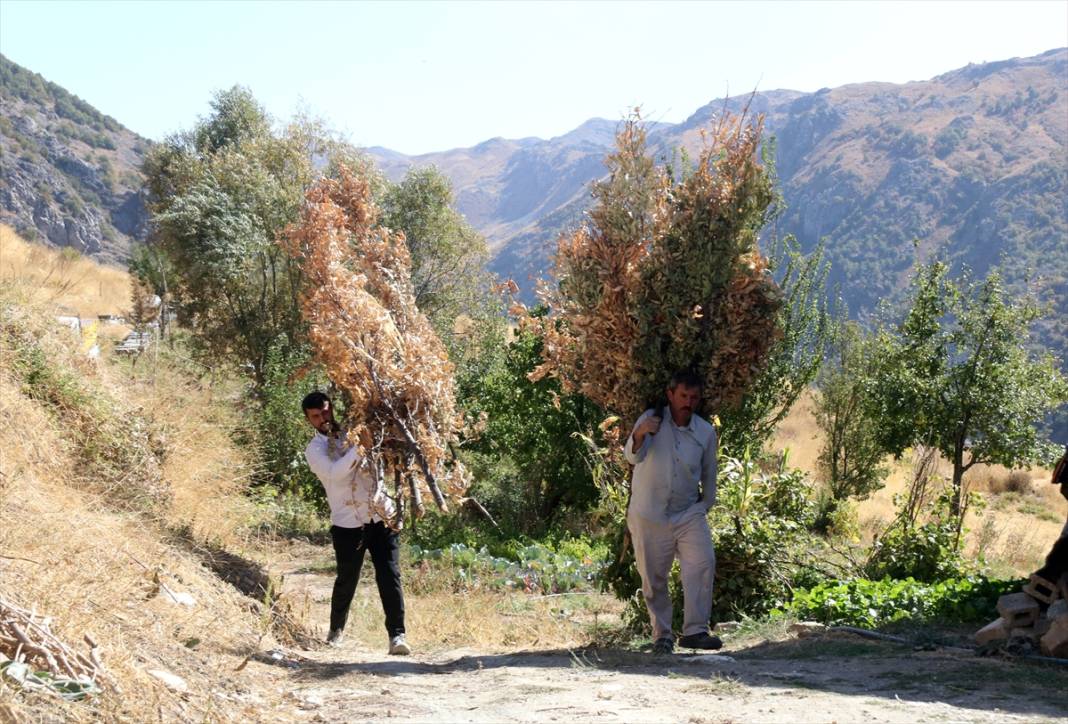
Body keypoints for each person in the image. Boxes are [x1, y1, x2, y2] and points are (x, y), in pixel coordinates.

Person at [301, 391, 410, 656]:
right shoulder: (314, 450)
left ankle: (397, 636)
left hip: (381, 515)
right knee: (347, 579)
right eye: (316, 416)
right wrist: (360, 448)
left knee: (390, 576)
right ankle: (336, 630)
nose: (323, 418)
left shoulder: (356, 430)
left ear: (332, 408)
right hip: (348, 524)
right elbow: (334, 474)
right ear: (308, 420)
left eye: (325, 412)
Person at [624, 370, 721, 654]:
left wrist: (705, 506)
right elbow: (632, 456)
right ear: (670, 395)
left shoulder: (704, 432)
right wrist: (640, 433)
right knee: (653, 577)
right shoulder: (650, 421)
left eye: (693, 397)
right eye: (683, 396)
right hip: (648, 513)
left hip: (688, 512)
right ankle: (662, 635)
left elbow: (709, 473)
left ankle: (695, 631)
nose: (688, 402)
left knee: (702, 563)